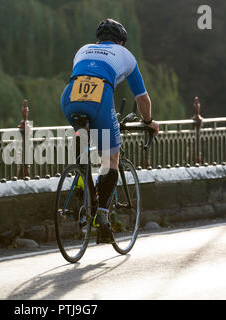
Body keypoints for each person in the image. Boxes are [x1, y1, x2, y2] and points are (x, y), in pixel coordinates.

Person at [60, 18, 159, 243]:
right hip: (100, 99)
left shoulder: (83, 49)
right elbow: (142, 98)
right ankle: (102, 220)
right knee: (111, 159)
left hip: (69, 96)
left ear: (98, 39)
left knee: (83, 133)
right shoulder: (127, 56)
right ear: (121, 42)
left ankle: (82, 177)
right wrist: (149, 121)